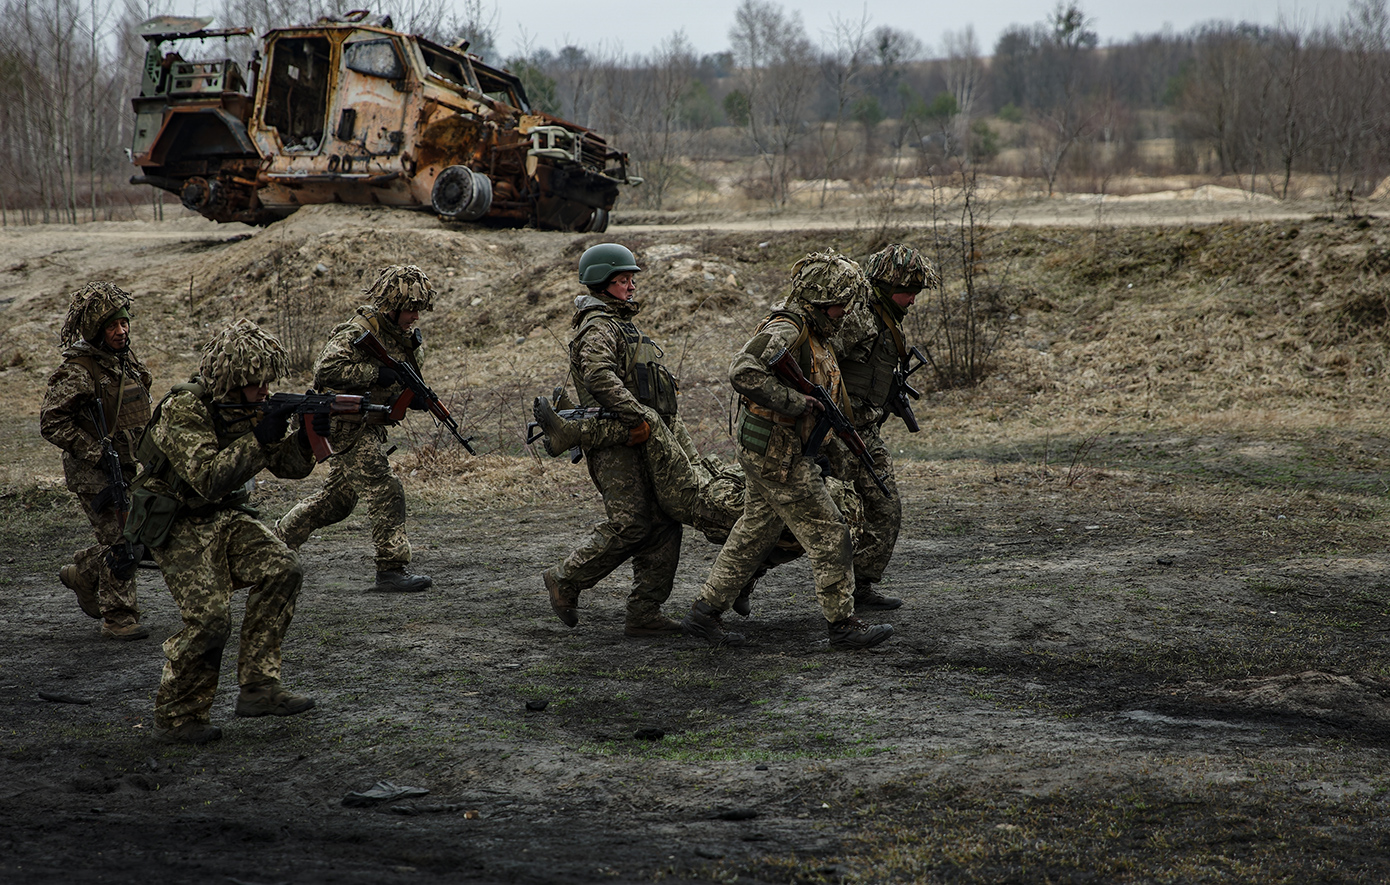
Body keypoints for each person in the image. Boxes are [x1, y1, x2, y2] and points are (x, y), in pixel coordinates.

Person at [681, 250, 894, 650]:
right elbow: (742, 371)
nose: (844, 311)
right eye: (838, 303)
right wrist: (797, 404)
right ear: (818, 300)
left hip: (773, 450)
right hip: (779, 455)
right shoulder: (787, 329)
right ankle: (843, 624)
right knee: (831, 533)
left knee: (754, 533)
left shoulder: (815, 332)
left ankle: (704, 614)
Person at [124, 319, 321, 744]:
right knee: (211, 620)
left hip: (220, 516)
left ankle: (259, 688)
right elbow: (207, 478)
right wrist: (261, 436)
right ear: (233, 381)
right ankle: (180, 716)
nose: (265, 392)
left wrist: (306, 439)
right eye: (257, 384)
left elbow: (287, 467)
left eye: (269, 383)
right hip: (175, 521)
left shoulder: (246, 406)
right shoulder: (185, 409)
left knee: (282, 568)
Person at [532, 243, 690, 639]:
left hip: (640, 438)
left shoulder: (620, 323)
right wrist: (637, 416)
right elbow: (600, 375)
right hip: (615, 442)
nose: (631, 285)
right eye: (623, 280)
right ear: (604, 284)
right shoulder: (599, 325)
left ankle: (645, 611)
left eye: (631, 279)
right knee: (632, 524)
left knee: (665, 521)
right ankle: (565, 579)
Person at [276, 265, 436, 593]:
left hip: (370, 424)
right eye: (410, 309)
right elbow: (327, 369)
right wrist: (374, 374)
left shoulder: (404, 338)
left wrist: (412, 397)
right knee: (385, 487)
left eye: (419, 309)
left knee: (335, 502)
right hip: (344, 424)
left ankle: (275, 545)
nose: (415, 317)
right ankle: (391, 568)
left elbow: (398, 383)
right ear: (392, 304)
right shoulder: (358, 331)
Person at [40, 282, 154, 640]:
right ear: (96, 331)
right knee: (122, 541)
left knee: (136, 536)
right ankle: (118, 618)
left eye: (124, 324)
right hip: (95, 474)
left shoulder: (126, 362)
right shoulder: (78, 371)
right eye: (111, 327)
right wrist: (95, 452)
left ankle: (84, 573)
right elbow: (51, 421)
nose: (121, 332)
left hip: (131, 465)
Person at [833, 243, 936, 612]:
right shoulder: (858, 318)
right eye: (909, 291)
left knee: (885, 507)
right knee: (807, 517)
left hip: (864, 433)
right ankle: (741, 584)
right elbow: (818, 360)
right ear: (887, 284)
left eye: (916, 292)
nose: (912, 299)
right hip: (833, 433)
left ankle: (861, 586)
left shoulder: (887, 320)